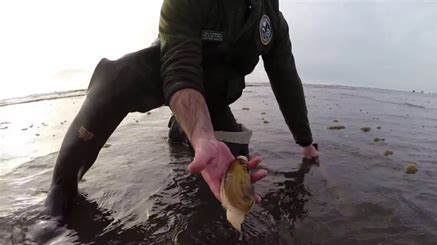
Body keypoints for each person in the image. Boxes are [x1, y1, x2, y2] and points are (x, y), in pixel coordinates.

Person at [43, 0, 319, 221]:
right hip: (166, 72)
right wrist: (202, 136)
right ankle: (60, 193)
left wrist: (305, 142)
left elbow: (286, 78)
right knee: (118, 78)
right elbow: (181, 70)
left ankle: (181, 128)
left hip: (216, 95)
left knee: (233, 167)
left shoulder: (272, 19)